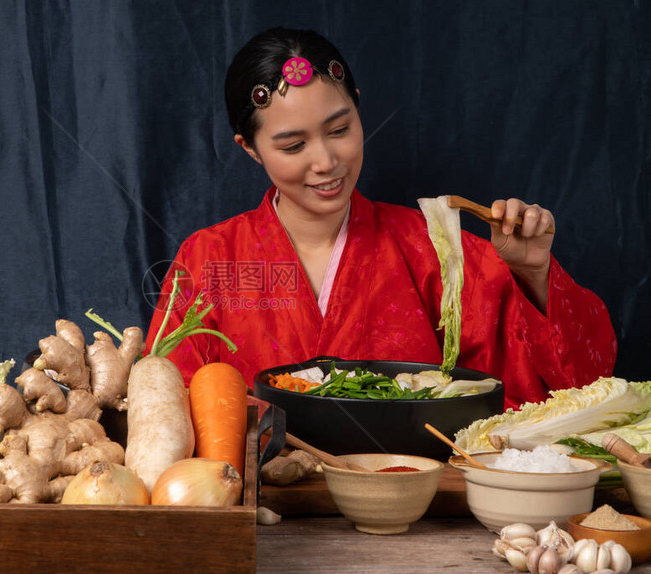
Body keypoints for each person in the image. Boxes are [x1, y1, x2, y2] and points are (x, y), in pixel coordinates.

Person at [146, 27, 616, 410]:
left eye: (340, 129)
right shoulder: (209, 259)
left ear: (357, 105)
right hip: (263, 506)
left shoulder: (435, 249)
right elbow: (164, 404)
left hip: (419, 507)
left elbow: (574, 391)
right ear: (249, 148)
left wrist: (533, 273)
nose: (327, 160)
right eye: (293, 146)